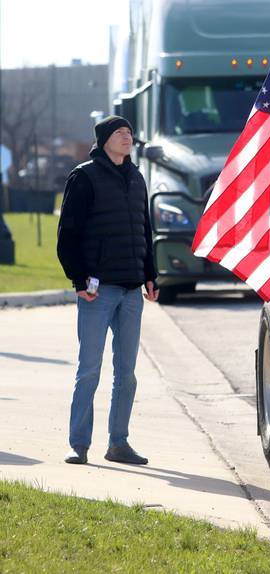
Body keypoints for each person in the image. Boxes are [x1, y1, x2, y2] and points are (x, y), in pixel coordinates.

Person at [57, 115, 159, 465]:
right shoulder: (83, 177)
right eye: (120, 133)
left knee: (126, 374)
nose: (128, 137)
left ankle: (119, 443)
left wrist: (151, 275)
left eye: (130, 132)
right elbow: (67, 236)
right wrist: (79, 280)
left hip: (131, 291)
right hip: (97, 292)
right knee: (89, 370)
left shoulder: (137, 178)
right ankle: (78, 444)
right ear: (104, 140)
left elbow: (143, 231)